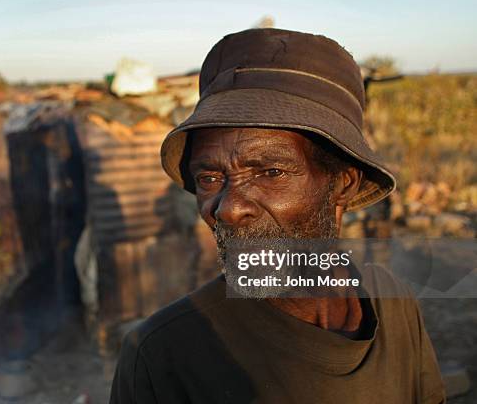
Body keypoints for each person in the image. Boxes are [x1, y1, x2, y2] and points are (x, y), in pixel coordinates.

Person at [109, 28, 445, 404]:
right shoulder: (164, 355)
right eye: (210, 177)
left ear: (342, 184)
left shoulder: (393, 303)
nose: (228, 209)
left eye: (271, 172)